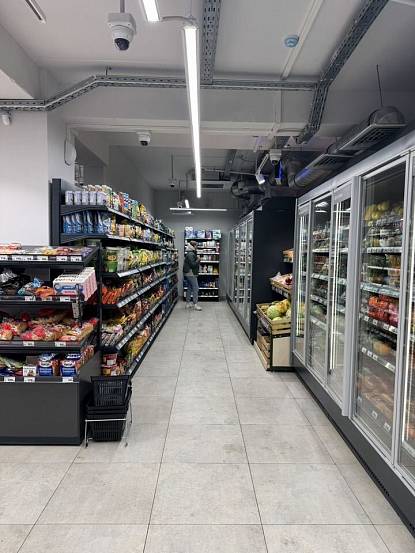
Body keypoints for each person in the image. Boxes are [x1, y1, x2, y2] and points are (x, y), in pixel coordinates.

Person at [183, 240, 202, 311]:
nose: (197, 246)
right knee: (196, 288)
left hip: (188, 273)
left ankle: (187, 304)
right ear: (193, 246)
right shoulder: (191, 254)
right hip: (190, 273)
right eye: (196, 245)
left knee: (190, 287)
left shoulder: (190, 252)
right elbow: (193, 264)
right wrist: (198, 260)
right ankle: (195, 304)